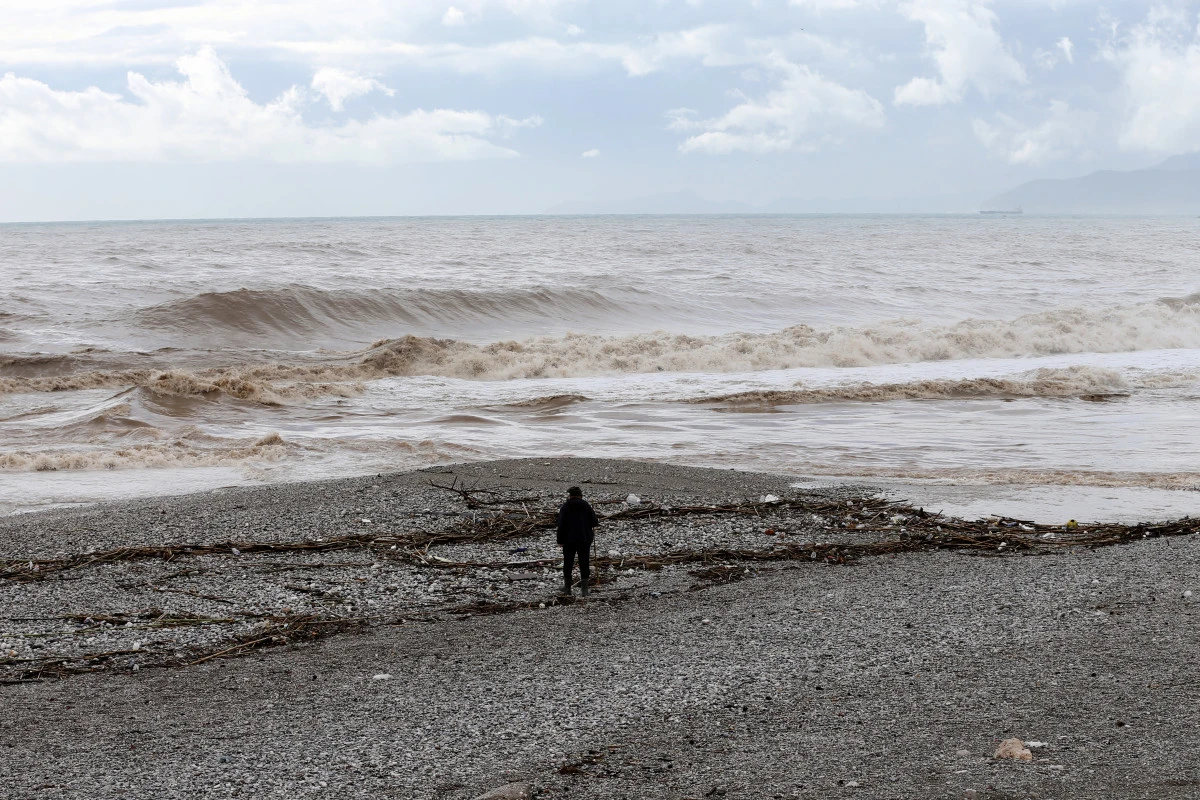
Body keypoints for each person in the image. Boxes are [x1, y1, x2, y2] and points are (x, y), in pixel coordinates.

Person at [556, 485, 599, 596]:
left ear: (570, 495)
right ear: (580, 495)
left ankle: (567, 588)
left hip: (568, 540)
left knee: (568, 563)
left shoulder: (565, 507)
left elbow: (560, 525)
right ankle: (584, 590)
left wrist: (560, 540)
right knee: (584, 562)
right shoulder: (586, 506)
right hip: (584, 539)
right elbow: (595, 522)